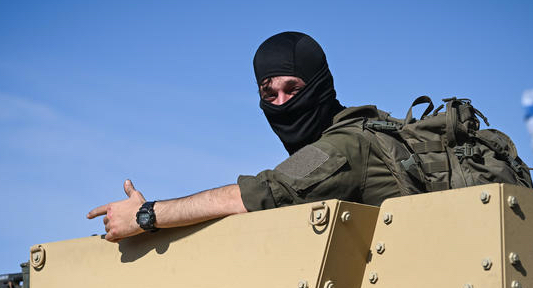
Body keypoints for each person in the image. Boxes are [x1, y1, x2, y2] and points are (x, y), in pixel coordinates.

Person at [88, 32, 402, 242]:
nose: (281, 103)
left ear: (319, 85)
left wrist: (147, 215)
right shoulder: (361, 131)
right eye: (269, 93)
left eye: (293, 89)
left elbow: (257, 194)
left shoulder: (345, 145)